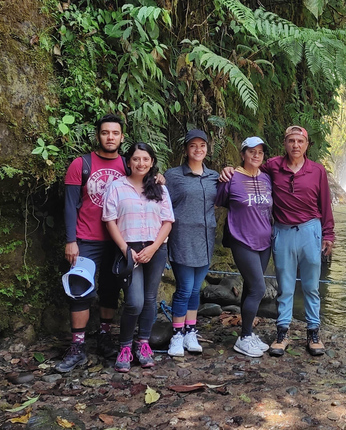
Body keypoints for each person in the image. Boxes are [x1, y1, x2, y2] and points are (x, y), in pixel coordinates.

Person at [221, 125, 334, 356]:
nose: (295, 145)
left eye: (300, 141)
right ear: (285, 144)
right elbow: (249, 169)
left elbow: (325, 204)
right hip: (281, 231)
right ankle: (282, 332)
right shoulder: (272, 166)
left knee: (312, 285)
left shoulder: (317, 171)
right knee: (285, 285)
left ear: (306, 145)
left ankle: (313, 331)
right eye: (291, 141)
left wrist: (329, 234)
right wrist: (228, 170)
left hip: (310, 230)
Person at [57, 114, 126, 373]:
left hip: (117, 240)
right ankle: (77, 346)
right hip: (86, 239)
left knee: (110, 289)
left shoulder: (128, 165)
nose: (110, 137)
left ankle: (105, 338)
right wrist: (70, 241)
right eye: (106, 132)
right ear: (98, 135)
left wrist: (159, 179)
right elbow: (70, 206)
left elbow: (145, 187)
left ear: (121, 137)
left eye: (115, 133)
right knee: (79, 290)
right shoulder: (81, 164)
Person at [102, 142, 174, 372]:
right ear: (129, 161)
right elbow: (109, 220)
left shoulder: (160, 188)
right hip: (128, 248)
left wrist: (153, 248)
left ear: (152, 162)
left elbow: (168, 221)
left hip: (155, 248)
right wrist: (125, 250)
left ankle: (143, 343)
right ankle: (124, 346)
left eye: (145, 159)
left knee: (151, 299)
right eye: (136, 159)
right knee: (134, 302)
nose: (141, 163)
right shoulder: (116, 187)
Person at [215, 137, 273, 358]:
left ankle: (247, 333)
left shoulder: (267, 178)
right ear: (242, 154)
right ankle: (245, 338)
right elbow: (217, 202)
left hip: (265, 242)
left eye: (260, 152)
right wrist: (223, 173)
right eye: (251, 151)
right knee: (259, 288)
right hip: (242, 240)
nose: (256, 155)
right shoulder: (231, 177)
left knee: (250, 288)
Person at [163, 130, 219, 357]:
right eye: (193, 145)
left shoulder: (214, 176)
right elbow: (159, 200)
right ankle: (176, 336)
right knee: (185, 288)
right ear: (186, 149)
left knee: (196, 289)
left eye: (202, 145)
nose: (198, 149)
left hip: (206, 239)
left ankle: (191, 331)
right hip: (182, 237)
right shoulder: (173, 176)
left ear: (207, 148)